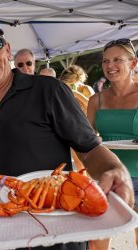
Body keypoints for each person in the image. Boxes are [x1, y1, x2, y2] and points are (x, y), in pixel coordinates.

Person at [0, 18, 134, 250]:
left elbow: (88, 149)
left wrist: (114, 169)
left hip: (58, 229)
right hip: (4, 230)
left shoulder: (49, 90)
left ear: (7, 50)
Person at [87, 38, 138, 250]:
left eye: (117, 59)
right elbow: (86, 140)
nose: (110, 66)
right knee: (97, 241)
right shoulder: (95, 100)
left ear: (133, 63)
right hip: (106, 177)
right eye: (106, 61)